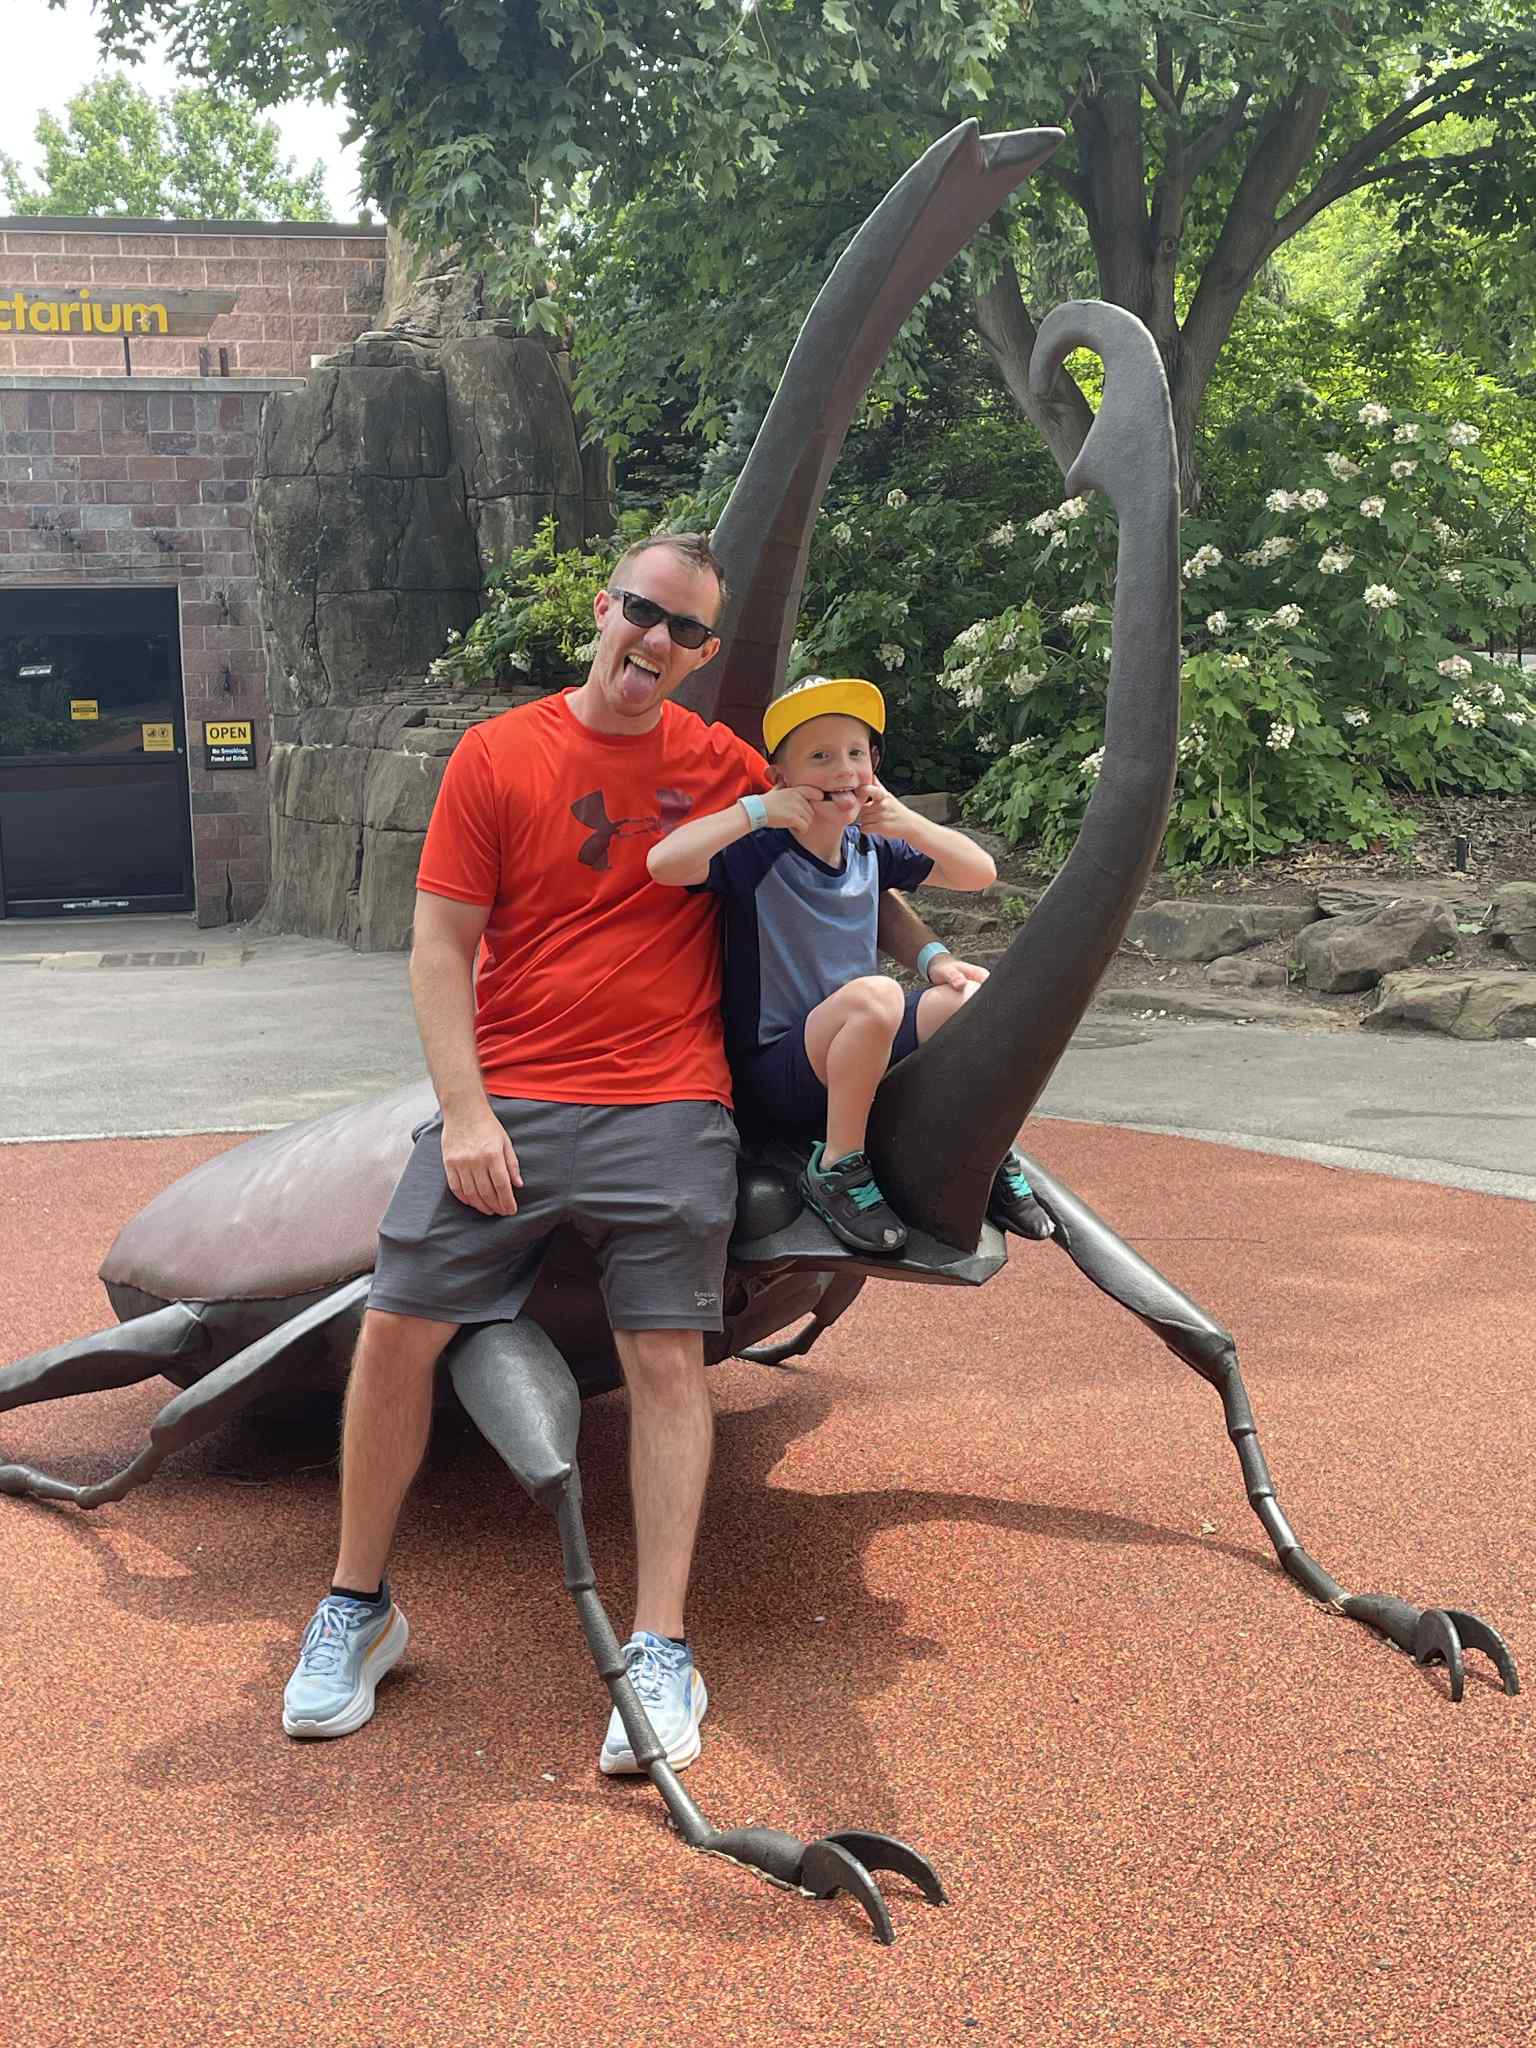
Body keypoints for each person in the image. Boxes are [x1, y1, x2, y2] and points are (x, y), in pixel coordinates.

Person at [280, 540, 969, 1777]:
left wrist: (927, 959)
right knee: (394, 1324)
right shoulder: (497, 754)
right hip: (512, 1095)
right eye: (644, 611)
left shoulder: (727, 766)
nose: (658, 639)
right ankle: (356, 1601)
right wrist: (467, 1112)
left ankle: (660, 1644)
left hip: (669, 1100)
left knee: (665, 1352)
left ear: (702, 653)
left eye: (686, 629)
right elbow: (440, 948)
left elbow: (847, 850)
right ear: (604, 609)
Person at [647, 673, 1055, 1254]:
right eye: (820, 757)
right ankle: (837, 1166)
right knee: (876, 994)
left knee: (972, 996)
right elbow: (663, 863)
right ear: (780, 777)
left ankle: (983, 1146)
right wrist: (757, 811)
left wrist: (904, 821)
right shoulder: (757, 854)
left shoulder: (869, 849)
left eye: (856, 754)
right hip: (781, 1069)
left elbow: (978, 873)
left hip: (862, 1042)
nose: (843, 770)